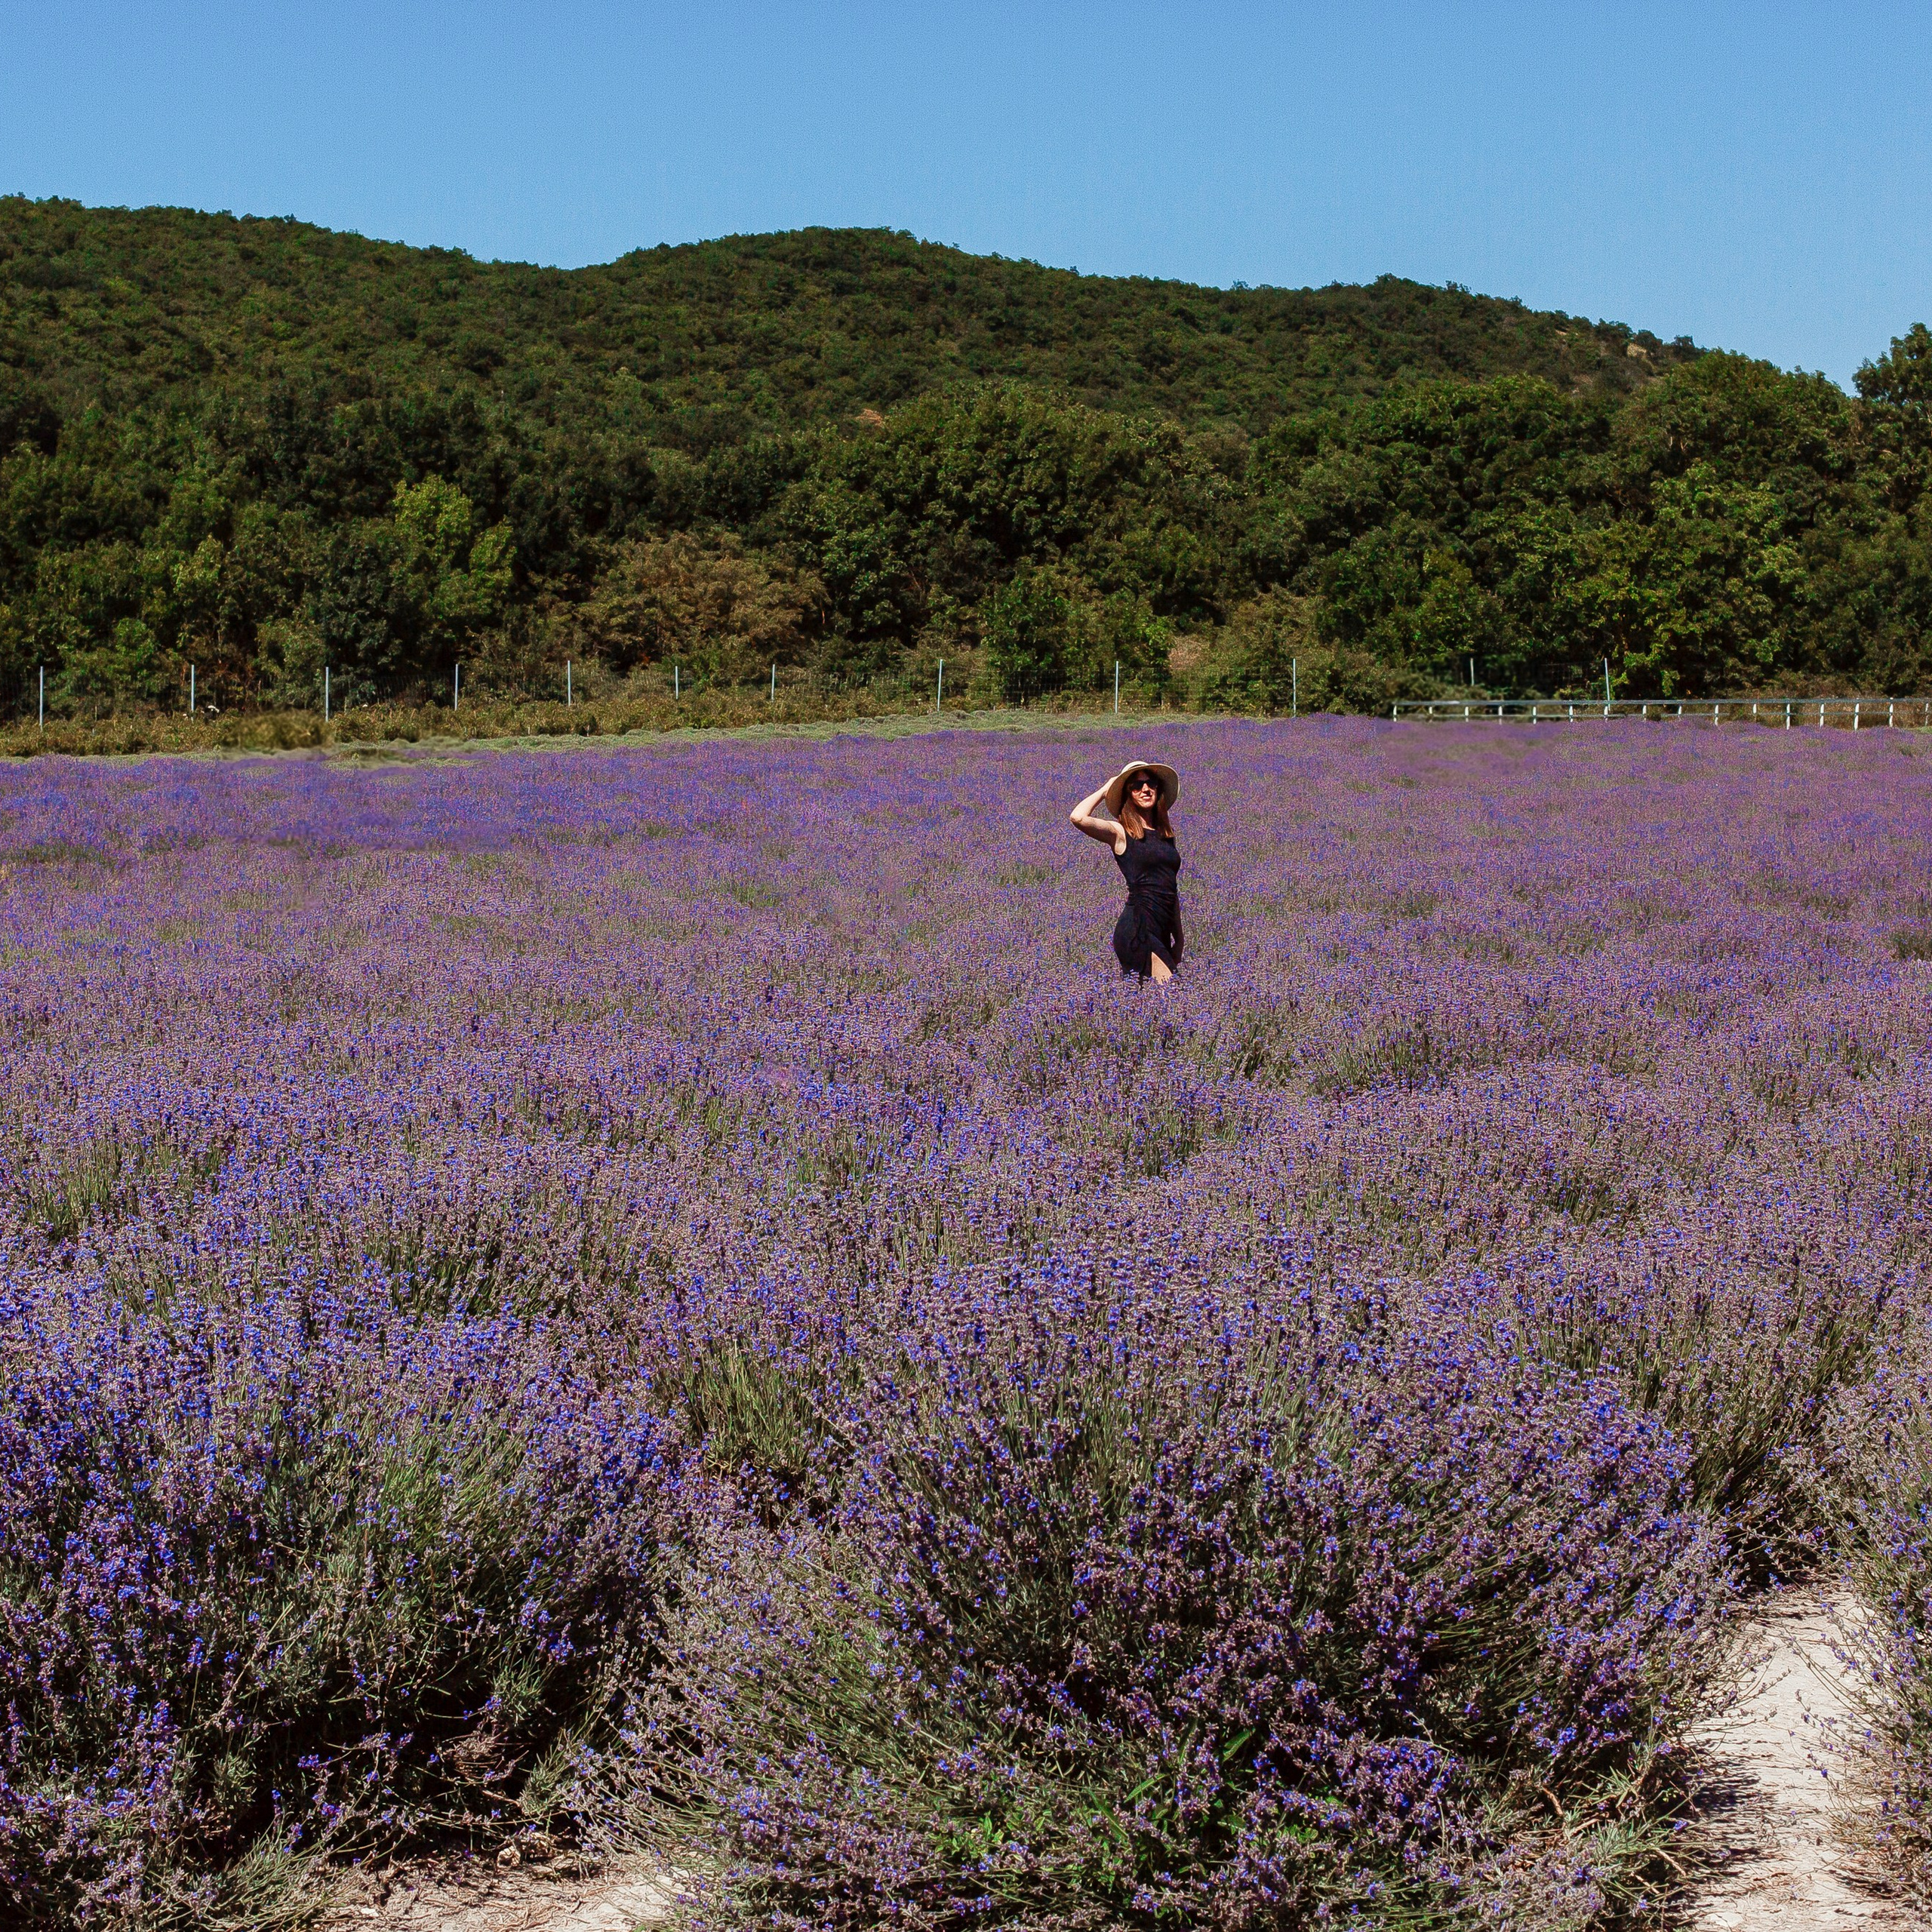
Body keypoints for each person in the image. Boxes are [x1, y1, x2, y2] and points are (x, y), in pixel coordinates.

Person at [1069, 760, 1183, 982]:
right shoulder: (1120, 832)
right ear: (1128, 794)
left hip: (1162, 926)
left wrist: (1179, 938)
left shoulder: (1165, 835)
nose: (1145, 789)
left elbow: (1171, 888)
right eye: (1136, 786)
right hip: (1137, 928)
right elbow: (1078, 818)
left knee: (1147, 1001)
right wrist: (1106, 789)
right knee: (1171, 993)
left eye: (1151, 783)